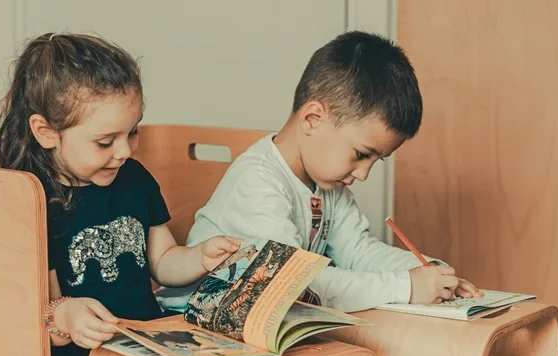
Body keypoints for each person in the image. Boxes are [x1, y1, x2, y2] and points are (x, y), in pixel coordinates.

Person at [0, 33, 240, 356]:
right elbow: (34, 309)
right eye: (105, 141)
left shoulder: (134, 179)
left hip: (146, 341)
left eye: (133, 133)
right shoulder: (30, 197)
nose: (123, 151)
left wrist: (198, 258)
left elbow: (162, 261)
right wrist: (63, 313)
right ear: (45, 131)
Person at [186, 31, 482, 312]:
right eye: (361, 154)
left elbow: (359, 253)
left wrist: (429, 272)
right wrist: (405, 286)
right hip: (196, 321)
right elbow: (293, 283)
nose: (363, 174)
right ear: (313, 119)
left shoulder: (328, 186)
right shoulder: (258, 182)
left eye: (376, 160)